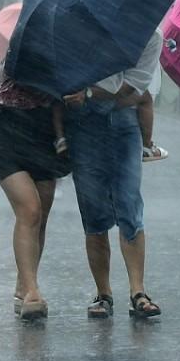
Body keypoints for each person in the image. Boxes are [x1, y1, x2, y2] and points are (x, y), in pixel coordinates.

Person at [61, 29, 164, 320]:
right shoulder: (81, 29)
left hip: (122, 124)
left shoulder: (150, 37)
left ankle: (138, 291)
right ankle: (103, 293)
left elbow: (132, 91)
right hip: (82, 125)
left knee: (129, 204)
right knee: (93, 212)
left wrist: (92, 92)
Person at [0, 74, 69, 321]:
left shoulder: (68, 52)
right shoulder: (21, 46)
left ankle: (24, 284)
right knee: (30, 210)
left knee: (40, 217)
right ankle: (32, 292)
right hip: (9, 131)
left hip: (46, 133)